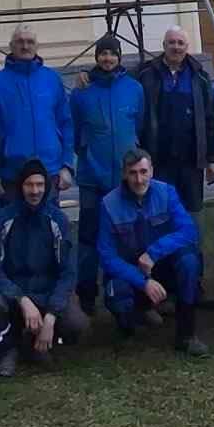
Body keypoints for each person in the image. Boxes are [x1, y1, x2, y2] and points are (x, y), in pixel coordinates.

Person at [96, 148, 209, 357]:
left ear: (152, 171)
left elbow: (188, 231)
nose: (139, 179)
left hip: (161, 266)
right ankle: (129, 328)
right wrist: (142, 281)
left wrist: (154, 253)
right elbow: (106, 256)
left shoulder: (166, 192)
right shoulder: (109, 204)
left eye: (143, 171)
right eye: (133, 173)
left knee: (189, 262)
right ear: (124, 174)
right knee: (116, 291)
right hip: (130, 273)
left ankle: (186, 335)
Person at [0, 158, 87, 377]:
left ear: (46, 187)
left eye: (39, 185)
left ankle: (40, 340)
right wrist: (21, 298)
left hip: (47, 292)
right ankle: (7, 349)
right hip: (12, 294)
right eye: (29, 185)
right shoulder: (4, 219)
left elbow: (68, 272)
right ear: (20, 187)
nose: (35, 191)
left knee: (77, 323)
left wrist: (51, 314)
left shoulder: (58, 220)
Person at [70, 32, 145, 314]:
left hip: (125, 180)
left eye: (112, 53)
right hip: (92, 178)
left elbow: (139, 126)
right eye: (103, 53)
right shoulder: (82, 91)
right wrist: (86, 155)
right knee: (89, 238)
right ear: (96, 57)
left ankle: (130, 294)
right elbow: (75, 132)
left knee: (128, 238)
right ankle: (86, 296)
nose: (108, 58)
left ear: (119, 56)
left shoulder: (134, 89)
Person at [0, 25, 75, 202]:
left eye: (30, 42)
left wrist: (67, 165)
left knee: (48, 227)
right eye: (20, 42)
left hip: (49, 173)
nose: (25, 46)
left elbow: (66, 124)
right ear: (11, 46)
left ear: (37, 46)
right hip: (10, 177)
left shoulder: (52, 79)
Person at [136, 25, 214, 218]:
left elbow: (211, 119)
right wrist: (88, 74)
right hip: (158, 162)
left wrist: (213, 159)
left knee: (191, 216)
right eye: (172, 43)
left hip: (191, 163)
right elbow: (116, 76)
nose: (176, 47)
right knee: (160, 215)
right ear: (163, 45)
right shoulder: (145, 74)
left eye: (180, 43)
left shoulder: (200, 77)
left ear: (187, 47)